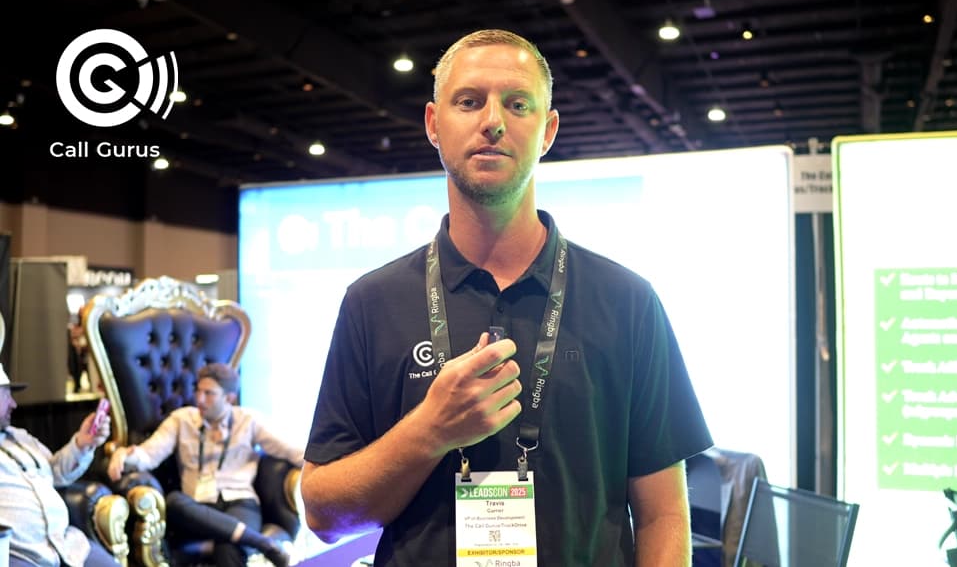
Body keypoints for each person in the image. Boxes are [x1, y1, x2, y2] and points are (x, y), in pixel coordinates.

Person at [300, 28, 714, 566]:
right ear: (433, 124)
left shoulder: (628, 301)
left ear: (547, 130)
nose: (492, 120)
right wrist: (430, 431)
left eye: (517, 104)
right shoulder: (371, 302)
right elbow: (325, 517)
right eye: (469, 101)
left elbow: (664, 515)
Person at [107, 363, 301, 567]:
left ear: (229, 398)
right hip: (197, 507)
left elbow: (289, 449)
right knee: (173, 501)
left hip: (240, 502)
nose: (199, 399)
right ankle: (263, 543)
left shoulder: (248, 420)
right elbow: (148, 454)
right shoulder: (181, 419)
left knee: (229, 548)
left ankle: (247, 539)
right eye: (198, 391)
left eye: (209, 393)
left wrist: (322, 465)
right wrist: (124, 455)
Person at [0, 363, 117, 567]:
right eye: (5, 396)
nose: (13, 404)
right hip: (19, 556)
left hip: (67, 546)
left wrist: (82, 443)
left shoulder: (21, 438)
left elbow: (54, 472)